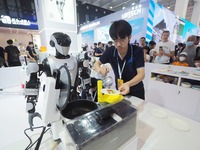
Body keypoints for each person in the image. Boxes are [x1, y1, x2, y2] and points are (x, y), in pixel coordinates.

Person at [94, 20, 145, 99]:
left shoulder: (137, 51)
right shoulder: (111, 51)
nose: (118, 44)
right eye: (115, 40)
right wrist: (100, 69)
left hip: (136, 91)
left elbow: (141, 74)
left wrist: (128, 84)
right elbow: (96, 64)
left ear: (129, 37)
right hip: (119, 91)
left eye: (122, 40)